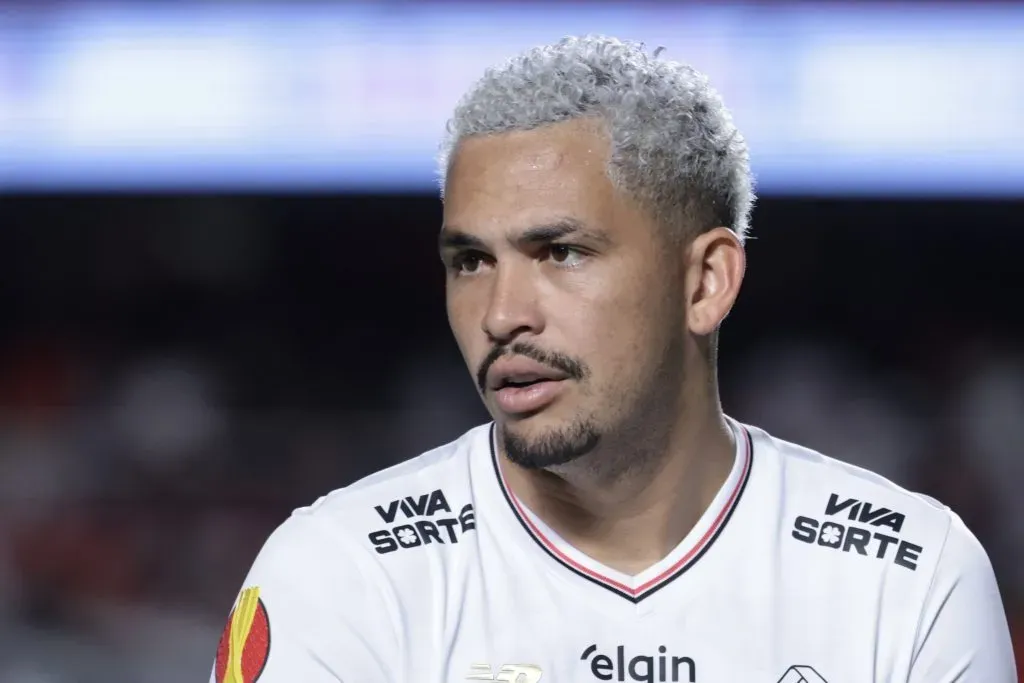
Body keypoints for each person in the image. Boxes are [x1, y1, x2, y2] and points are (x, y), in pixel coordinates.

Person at [210, 35, 1016, 682]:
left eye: (559, 252)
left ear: (705, 281)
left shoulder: (910, 576)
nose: (500, 315)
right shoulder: (339, 569)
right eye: (470, 261)